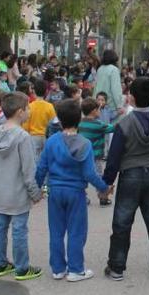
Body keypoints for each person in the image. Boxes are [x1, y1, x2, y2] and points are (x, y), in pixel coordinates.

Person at [102, 77, 149, 282]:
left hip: (130, 174)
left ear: (131, 98)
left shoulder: (124, 124)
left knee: (122, 221)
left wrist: (107, 181)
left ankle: (116, 267)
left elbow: (114, 157)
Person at [35, 99, 110, 282]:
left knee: (56, 230)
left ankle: (58, 268)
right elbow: (90, 173)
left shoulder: (52, 141)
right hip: (76, 192)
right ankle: (76, 269)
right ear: (80, 119)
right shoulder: (85, 144)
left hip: (55, 191)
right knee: (76, 231)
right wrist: (104, 187)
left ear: (60, 120)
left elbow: (41, 168)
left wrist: (36, 189)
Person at [0, 92, 44, 281]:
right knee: (19, 230)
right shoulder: (23, 137)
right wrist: (35, 192)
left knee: (0, 226)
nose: (30, 111)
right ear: (20, 112)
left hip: (0, 190)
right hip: (18, 192)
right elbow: (28, 169)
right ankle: (22, 268)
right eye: (28, 108)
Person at [77, 98, 114, 206]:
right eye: (98, 110)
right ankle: (103, 196)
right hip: (96, 156)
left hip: (82, 156)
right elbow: (113, 128)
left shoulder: (80, 124)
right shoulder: (98, 125)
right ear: (93, 111)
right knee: (98, 176)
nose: (99, 112)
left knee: (81, 176)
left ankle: (82, 197)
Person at [22, 80, 56, 161]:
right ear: (46, 91)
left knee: (33, 159)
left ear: (33, 91)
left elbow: (25, 123)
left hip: (33, 136)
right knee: (45, 159)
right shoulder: (50, 106)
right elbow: (53, 122)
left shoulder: (30, 106)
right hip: (46, 136)